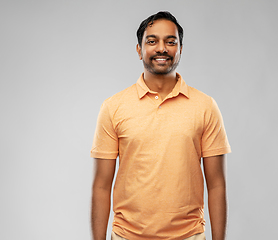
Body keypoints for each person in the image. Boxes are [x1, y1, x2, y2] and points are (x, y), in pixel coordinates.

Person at [90, 11, 231, 240]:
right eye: (152, 41)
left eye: (171, 41)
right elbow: (101, 186)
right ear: (139, 50)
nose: (162, 48)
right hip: (127, 236)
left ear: (181, 49)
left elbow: (216, 184)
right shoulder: (113, 107)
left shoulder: (205, 106)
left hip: (189, 236)